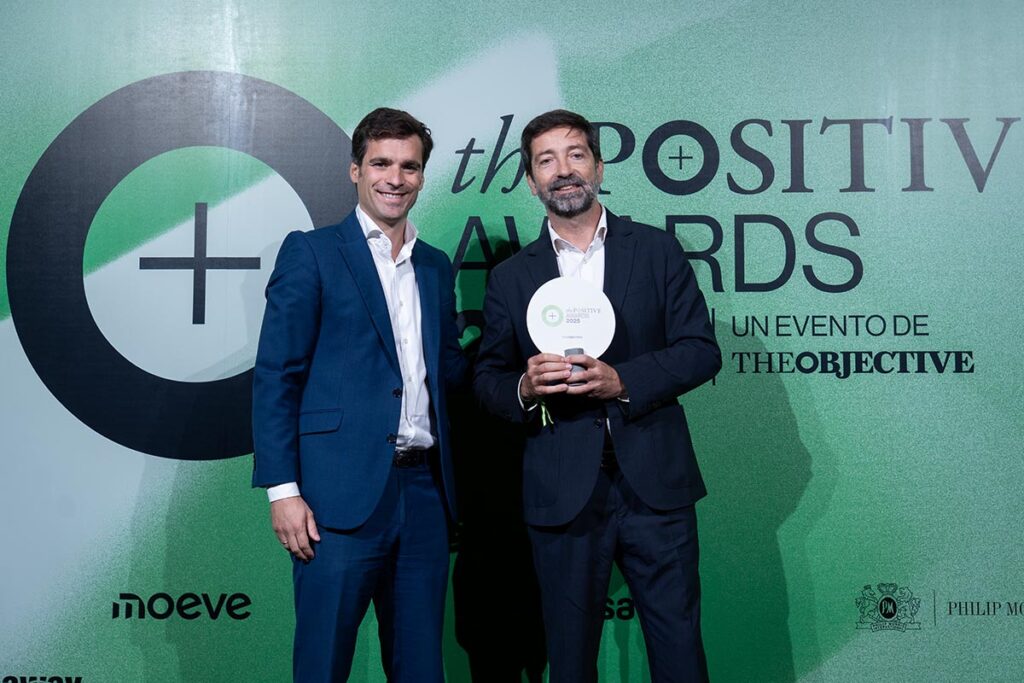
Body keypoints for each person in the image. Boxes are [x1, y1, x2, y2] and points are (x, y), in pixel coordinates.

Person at [474, 109, 721, 682]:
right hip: (562, 491)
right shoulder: (512, 277)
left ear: (599, 167)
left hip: (655, 486)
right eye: (546, 160)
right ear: (531, 181)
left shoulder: (657, 250)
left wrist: (624, 381)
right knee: (569, 660)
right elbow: (487, 379)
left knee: (680, 652)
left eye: (576, 154)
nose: (563, 170)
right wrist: (523, 386)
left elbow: (700, 350)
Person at [252, 107, 466, 682]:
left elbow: (449, 372)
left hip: (425, 496)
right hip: (334, 500)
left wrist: (522, 371)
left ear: (422, 176)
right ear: (355, 170)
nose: (395, 178)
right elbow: (277, 374)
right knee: (322, 666)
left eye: (409, 166)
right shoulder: (313, 252)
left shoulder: (435, 267)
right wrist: (283, 491)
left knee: (421, 669)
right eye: (381, 164)